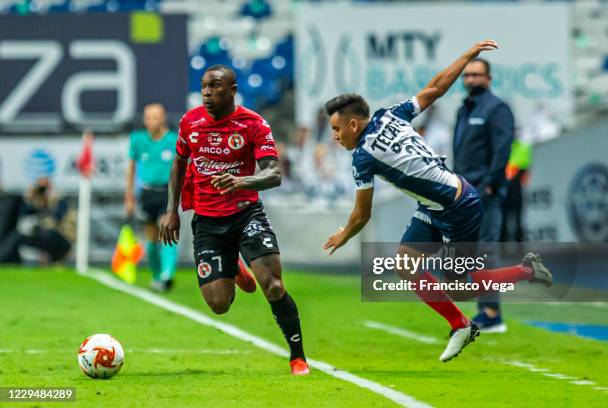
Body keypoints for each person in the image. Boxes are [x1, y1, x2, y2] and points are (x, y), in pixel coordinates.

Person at [322, 40, 552, 362]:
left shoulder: (363, 157)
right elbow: (435, 88)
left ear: (353, 124)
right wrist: (468, 54)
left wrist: (344, 235)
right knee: (405, 263)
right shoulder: (391, 115)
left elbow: (362, 214)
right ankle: (460, 323)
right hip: (435, 205)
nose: (335, 137)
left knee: (459, 286)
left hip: (459, 207)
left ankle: (527, 270)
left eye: (336, 129)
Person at [159, 65, 309, 375]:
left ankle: (298, 357)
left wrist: (241, 182)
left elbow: (274, 173)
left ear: (232, 89)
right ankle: (235, 267)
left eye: (214, 86)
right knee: (218, 305)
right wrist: (172, 210)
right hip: (208, 221)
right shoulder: (190, 122)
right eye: (203, 87)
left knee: (274, 286)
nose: (207, 93)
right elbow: (179, 163)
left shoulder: (253, 124)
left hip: (246, 215)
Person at [452, 58, 514, 332]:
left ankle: (491, 312)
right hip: (464, 191)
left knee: (486, 251)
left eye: (476, 75)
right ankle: (485, 310)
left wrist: (490, 183)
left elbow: (502, 148)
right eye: (466, 76)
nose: (470, 80)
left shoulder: (497, 108)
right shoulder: (464, 109)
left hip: (484, 192)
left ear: (488, 78)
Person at [125, 103, 181, 292]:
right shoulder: (137, 139)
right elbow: (131, 169)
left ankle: (167, 274)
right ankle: (157, 275)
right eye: (148, 117)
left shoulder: (174, 140)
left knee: (166, 230)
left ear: (163, 118)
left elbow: (183, 169)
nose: (150, 121)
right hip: (147, 192)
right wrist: (129, 196)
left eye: (155, 117)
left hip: (168, 192)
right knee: (151, 237)